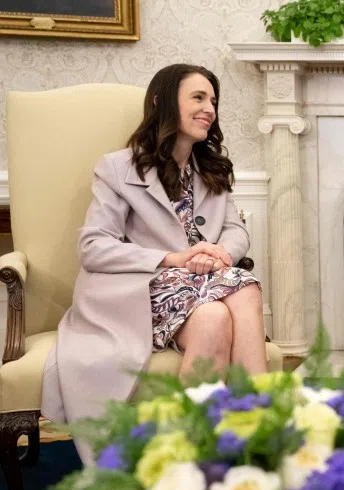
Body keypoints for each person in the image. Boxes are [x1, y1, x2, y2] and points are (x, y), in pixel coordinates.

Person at [41, 64, 268, 429]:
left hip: (206, 283)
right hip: (142, 290)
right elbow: (93, 246)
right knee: (243, 290)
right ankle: (263, 427)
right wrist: (172, 258)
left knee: (218, 312)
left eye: (213, 100)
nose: (210, 108)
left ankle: (202, 444)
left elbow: (235, 230)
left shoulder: (213, 169)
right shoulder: (118, 168)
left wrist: (220, 253)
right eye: (198, 97)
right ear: (163, 103)